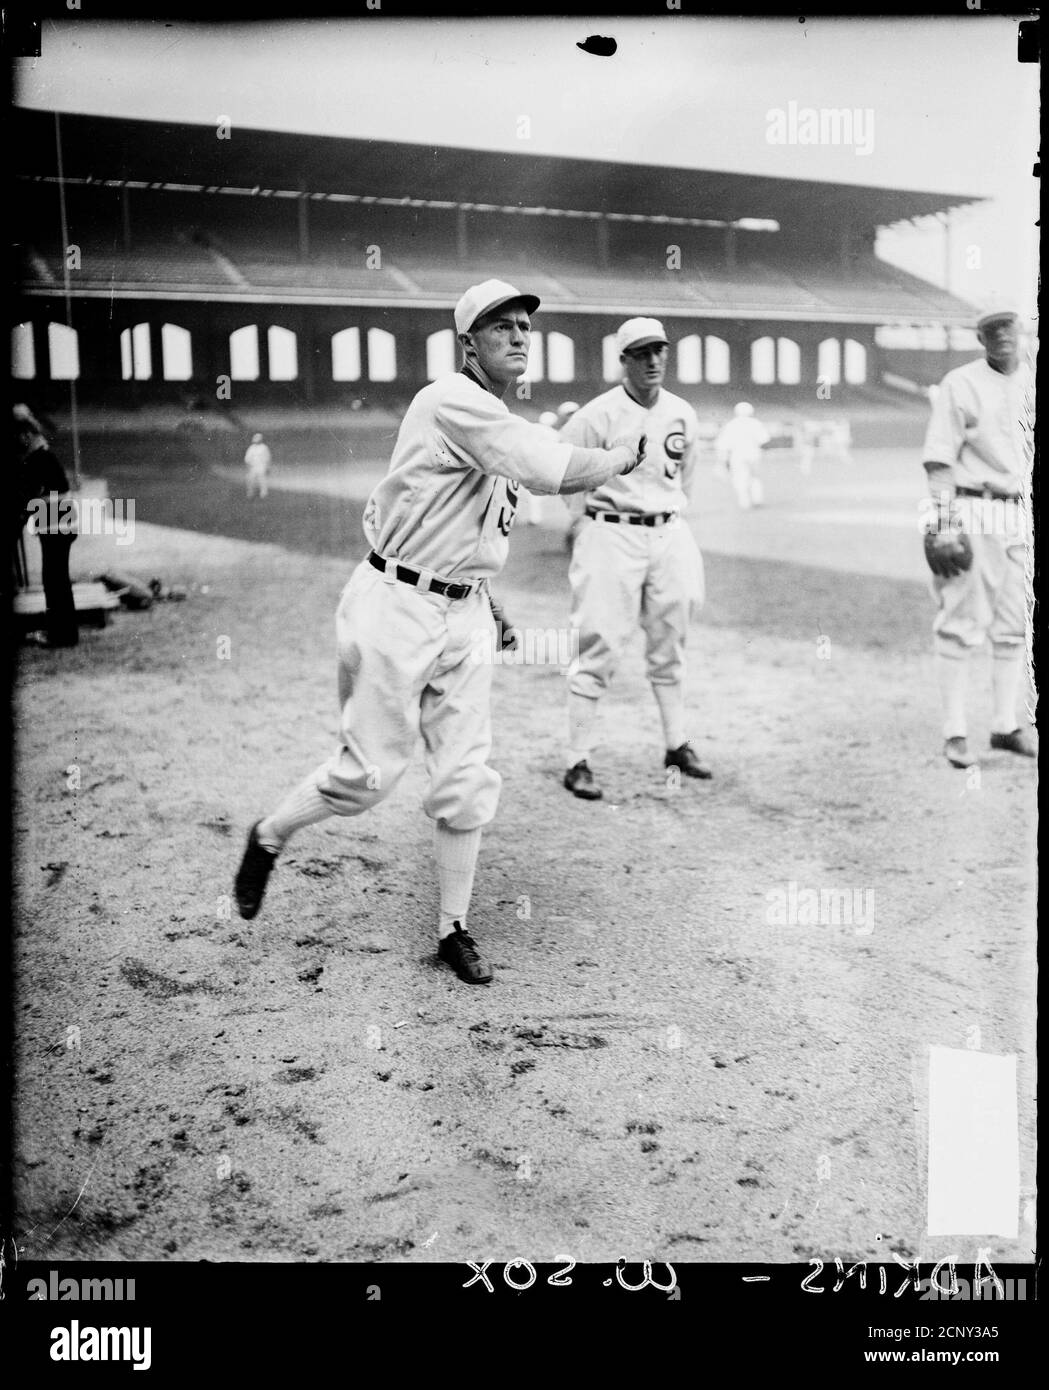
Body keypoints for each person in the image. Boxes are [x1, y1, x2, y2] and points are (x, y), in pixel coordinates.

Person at [233, 279, 646, 983]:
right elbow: (552, 472)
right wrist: (618, 458)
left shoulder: (492, 415)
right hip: (395, 602)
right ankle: (269, 835)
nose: (518, 336)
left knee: (465, 774)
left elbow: (480, 530)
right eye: (499, 327)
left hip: (464, 608)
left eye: (524, 325)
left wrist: (490, 606)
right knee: (367, 777)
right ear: (467, 345)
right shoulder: (447, 400)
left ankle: (452, 928)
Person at [558, 317, 709, 800]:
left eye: (659, 351)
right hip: (611, 531)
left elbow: (686, 477)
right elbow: (560, 466)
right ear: (623, 359)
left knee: (672, 637)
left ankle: (676, 744)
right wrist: (580, 519)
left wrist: (673, 516)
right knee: (598, 639)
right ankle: (577, 757)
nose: (653, 361)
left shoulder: (682, 412)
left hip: (667, 530)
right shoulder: (597, 415)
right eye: (641, 353)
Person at [921, 307, 1036, 768]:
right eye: (991, 330)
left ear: (1022, 329)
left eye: (1008, 326)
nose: (1002, 336)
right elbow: (939, 460)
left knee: (1015, 625)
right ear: (980, 337)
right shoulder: (960, 383)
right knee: (961, 623)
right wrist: (945, 522)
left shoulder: (1032, 380)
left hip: (1022, 512)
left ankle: (1005, 726)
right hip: (975, 507)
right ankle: (955, 732)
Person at [13, 408, 79, 648]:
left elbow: (27, 497)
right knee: (57, 579)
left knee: (54, 580)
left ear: (27, 435)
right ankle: (64, 633)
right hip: (61, 525)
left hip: (56, 527)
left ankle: (61, 635)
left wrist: (20, 518)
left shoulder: (37, 459)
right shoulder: (42, 455)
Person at [715, 401, 770, 509]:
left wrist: (723, 460)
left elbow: (723, 445)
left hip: (737, 455)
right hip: (754, 454)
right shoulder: (756, 423)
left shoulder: (731, 424)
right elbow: (764, 440)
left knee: (740, 478)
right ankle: (757, 499)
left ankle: (744, 501)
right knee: (755, 477)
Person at [244, 432, 272, 500]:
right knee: (250, 480)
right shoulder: (251, 448)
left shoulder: (264, 447)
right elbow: (247, 458)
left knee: (262, 480)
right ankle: (250, 493)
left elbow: (267, 458)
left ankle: (264, 494)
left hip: (262, 466)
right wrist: (248, 466)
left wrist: (267, 467)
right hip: (253, 466)